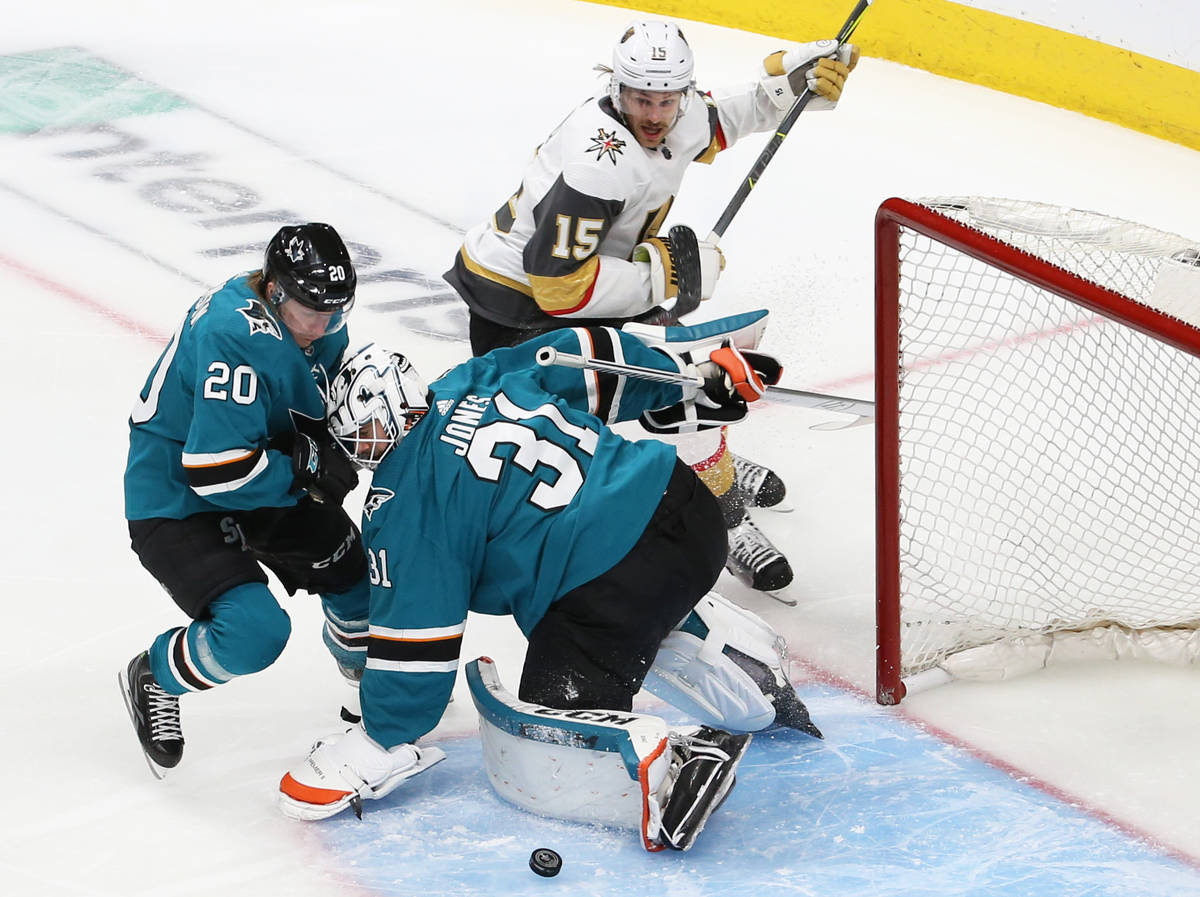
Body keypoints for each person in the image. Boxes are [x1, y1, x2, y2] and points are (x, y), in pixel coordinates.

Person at [276, 326, 821, 851]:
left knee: (558, 725)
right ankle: (736, 659)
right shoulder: (474, 377)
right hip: (687, 510)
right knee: (627, 619)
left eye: (348, 432)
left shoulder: (403, 507)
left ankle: (676, 766)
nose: (348, 446)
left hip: (616, 583)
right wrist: (687, 377)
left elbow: (416, 639)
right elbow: (588, 356)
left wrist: (379, 738)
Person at [442, 19, 859, 598]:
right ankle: (691, 510)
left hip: (587, 280)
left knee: (694, 380)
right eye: (642, 98)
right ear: (617, 89)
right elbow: (555, 287)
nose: (656, 114)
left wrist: (786, 88)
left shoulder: (675, 111)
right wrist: (662, 272)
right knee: (558, 443)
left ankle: (715, 490)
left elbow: (720, 122)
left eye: (668, 99)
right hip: (517, 306)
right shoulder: (599, 160)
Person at [118, 223, 368, 778]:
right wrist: (306, 466)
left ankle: (366, 688)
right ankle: (157, 674)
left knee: (357, 572)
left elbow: (304, 407)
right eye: (311, 313)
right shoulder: (234, 333)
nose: (323, 327)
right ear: (275, 292)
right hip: (177, 498)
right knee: (255, 634)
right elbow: (217, 470)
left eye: (336, 312)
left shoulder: (313, 322)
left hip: (261, 476)